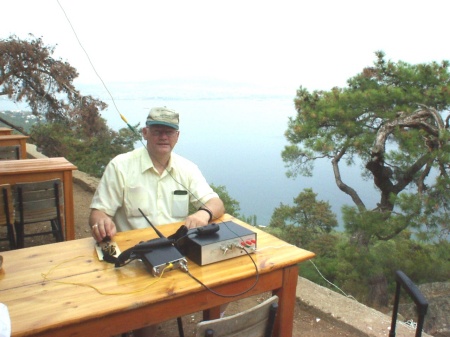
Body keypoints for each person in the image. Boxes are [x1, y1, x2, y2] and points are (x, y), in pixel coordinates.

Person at [89, 106, 225, 337]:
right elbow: (98, 212)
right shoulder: (121, 166)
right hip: (136, 257)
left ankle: (210, 326)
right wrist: (101, 222)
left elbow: (216, 203)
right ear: (144, 133)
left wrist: (203, 213)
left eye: (169, 132)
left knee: (224, 287)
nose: (163, 137)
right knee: (147, 316)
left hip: (177, 252)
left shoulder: (187, 168)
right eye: (157, 131)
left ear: (177, 136)